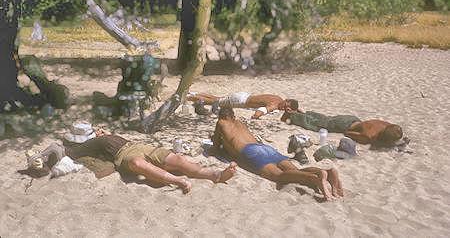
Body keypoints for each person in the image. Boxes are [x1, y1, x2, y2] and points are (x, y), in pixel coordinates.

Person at [27, 129, 237, 194]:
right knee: (137, 163)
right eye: (96, 130)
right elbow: (56, 148)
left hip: (138, 144)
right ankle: (179, 182)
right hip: (123, 156)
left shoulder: (109, 134)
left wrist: (108, 132)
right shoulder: (82, 147)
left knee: (177, 158)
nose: (99, 130)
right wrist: (39, 158)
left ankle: (215, 175)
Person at [207, 107, 343, 201]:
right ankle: (325, 172)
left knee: (278, 176)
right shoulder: (240, 122)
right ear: (233, 116)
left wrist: (214, 147)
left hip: (250, 152)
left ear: (221, 117)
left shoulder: (221, 123)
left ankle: (315, 179)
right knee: (295, 171)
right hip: (264, 147)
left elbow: (215, 147)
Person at [282, 111, 404, 146]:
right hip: (344, 125)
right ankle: (292, 115)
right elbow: (348, 133)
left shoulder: (387, 125)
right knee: (317, 125)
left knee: (325, 119)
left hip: (353, 118)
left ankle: (302, 112)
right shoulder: (369, 136)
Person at [187, 92, 305, 119]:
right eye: (285, 107)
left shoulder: (279, 99)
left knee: (217, 99)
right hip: (240, 101)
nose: (283, 109)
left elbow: (290, 106)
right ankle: (187, 97)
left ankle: (192, 94)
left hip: (243, 96)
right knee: (214, 101)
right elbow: (257, 113)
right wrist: (257, 117)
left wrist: (297, 110)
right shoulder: (273, 105)